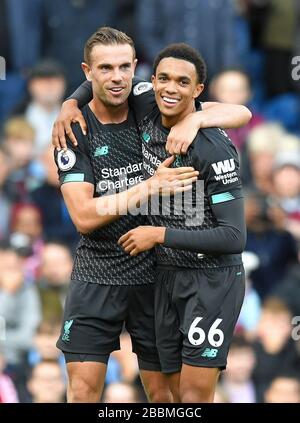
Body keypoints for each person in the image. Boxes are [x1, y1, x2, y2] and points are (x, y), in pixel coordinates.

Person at [52, 27, 251, 403]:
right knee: (82, 392)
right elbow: (83, 216)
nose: (117, 77)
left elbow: (241, 111)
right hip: (100, 271)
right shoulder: (74, 130)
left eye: (125, 67)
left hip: (154, 274)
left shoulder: (149, 97)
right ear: (87, 71)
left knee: (165, 396)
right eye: (105, 68)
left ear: (136, 69)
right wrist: (147, 187)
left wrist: (195, 120)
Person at [118, 43, 247, 402]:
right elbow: (97, 78)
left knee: (192, 396)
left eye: (182, 81)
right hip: (164, 276)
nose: (170, 88)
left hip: (211, 281)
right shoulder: (144, 105)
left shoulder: (211, 148)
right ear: (152, 80)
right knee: (166, 395)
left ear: (198, 90)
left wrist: (158, 234)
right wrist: (68, 106)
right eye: (163, 78)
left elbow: (234, 236)